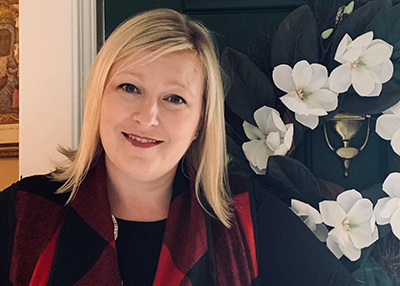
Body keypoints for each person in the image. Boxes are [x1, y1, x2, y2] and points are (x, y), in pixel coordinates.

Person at [0, 8, 358, 286]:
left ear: (200, 121)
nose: (147, 116)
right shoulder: (24, 213)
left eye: (174, 98)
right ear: (98, 99)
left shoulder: (247, 216)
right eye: (129, 88)